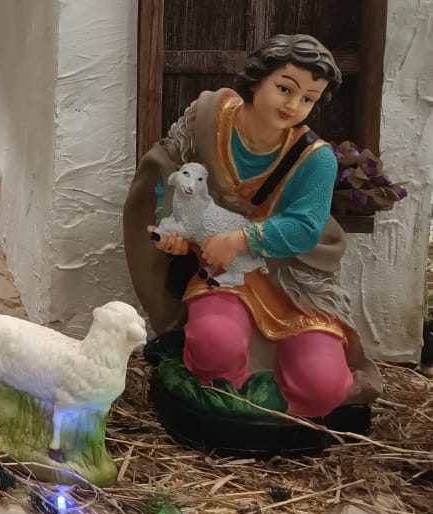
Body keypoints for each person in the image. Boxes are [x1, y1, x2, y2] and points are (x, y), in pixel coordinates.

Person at [123, 33, 377, 420]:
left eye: (308, 98)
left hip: (291, 280)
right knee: (214, 348)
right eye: (285, 89)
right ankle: (226, 404)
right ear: (257, 80)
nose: (293, 105)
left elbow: (305, 227)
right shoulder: (209, 118)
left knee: (322, 384)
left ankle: (286, 412)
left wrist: (243, 238)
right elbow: (166, 166)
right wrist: (170, 225)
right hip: (225, 273)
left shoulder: (316, 159)